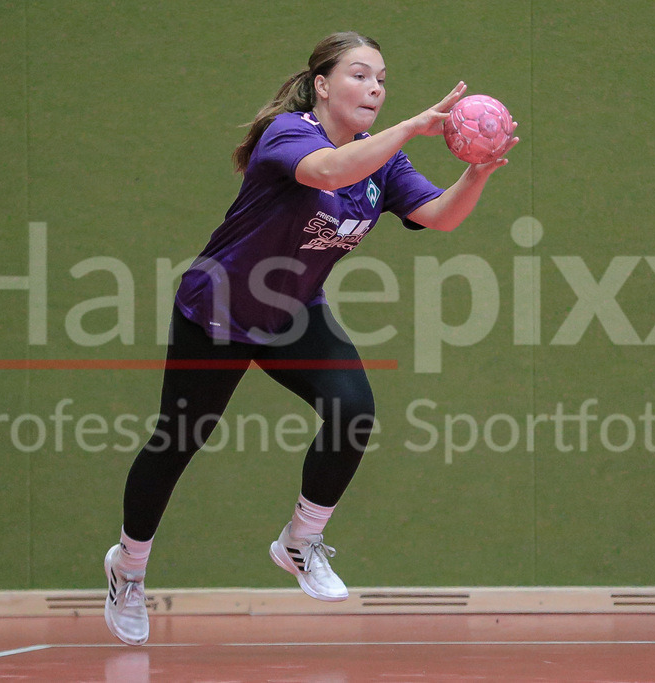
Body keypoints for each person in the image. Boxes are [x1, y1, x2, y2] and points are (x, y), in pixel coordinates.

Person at [103, 30, 518, 645]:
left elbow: (440, 215)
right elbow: (327, 170)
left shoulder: (384, 164)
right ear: (322, 85)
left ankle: (301, 541)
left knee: (353, 410)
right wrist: (406, 128)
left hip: (292, 312)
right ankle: (128, 568)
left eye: (381, 78)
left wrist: (478, 173)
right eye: (359, 74)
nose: (374, 86)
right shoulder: (291, 135)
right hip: (216, 310)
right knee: (178, 443)